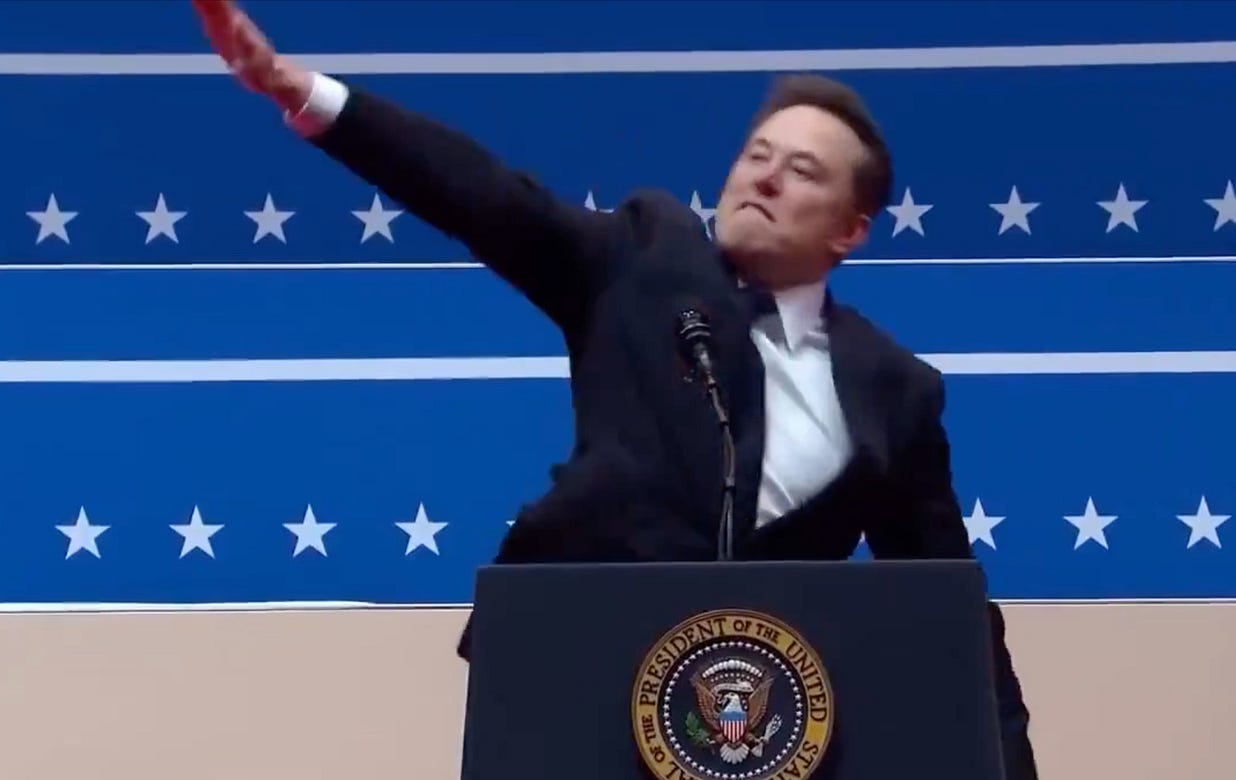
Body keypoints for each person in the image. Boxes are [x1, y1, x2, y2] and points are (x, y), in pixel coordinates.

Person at [192, 2, 1038, 776]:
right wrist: (306, 95)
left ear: (850, 229)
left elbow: (953, 610)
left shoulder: (894, 389)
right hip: (573, 674)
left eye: (803, 171)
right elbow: (486, 198)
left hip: (761, 725)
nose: (765, 179)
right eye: (756, 156)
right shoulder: (643, 259)